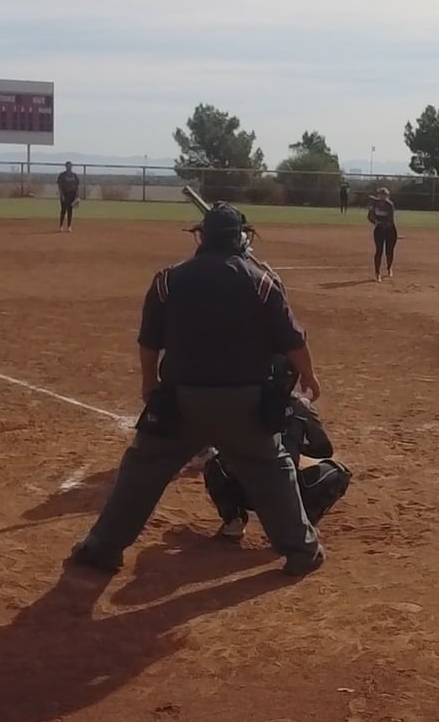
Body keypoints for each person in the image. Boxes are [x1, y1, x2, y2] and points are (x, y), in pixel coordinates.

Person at [70, 204, 326, 577]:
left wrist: (149, 382)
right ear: (241, 238)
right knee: (273, 472)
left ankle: (102, 549)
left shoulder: (168, 280)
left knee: (141, 470)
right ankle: (302, 552)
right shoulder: (261, 281)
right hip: (245, 404)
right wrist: (309, 376)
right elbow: (293, 341)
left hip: (180, 401)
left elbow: (149, 342)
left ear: (202, 236)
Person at [206, 356, 352, 540]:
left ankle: (234, 520)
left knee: (216, 464)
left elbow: (222, 441)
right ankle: (302, 525)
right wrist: (293, 445)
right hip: (288, 494)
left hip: (246, 489)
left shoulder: (242, 404)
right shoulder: (300, 406)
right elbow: (323, 449)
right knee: (339, 473)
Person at [367, 187, 398, 281]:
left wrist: (382, 223)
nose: (383, 197)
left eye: (385, 195)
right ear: (378, 195)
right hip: (379, 230)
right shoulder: (374, 204)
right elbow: (370, 217)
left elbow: (390, 219)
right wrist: (375, 221)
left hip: (390, 230)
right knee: (379, 251)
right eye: (381, 194)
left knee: (389, 251)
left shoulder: (390, 205)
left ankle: (389, 268)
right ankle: (377, 273)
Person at [56, 162, 81, 232]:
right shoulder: (62, 175)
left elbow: (77, 186)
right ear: (66, 166)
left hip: (72, 195)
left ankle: (69, 226)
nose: (69, 167)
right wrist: (62, 195)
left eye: (70, 166)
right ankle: (61, 226)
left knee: (70, 210)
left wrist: (77, 196)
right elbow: (60, 186)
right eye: (68, 166)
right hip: (65, 194)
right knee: (63, 210)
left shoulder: (74, 175)